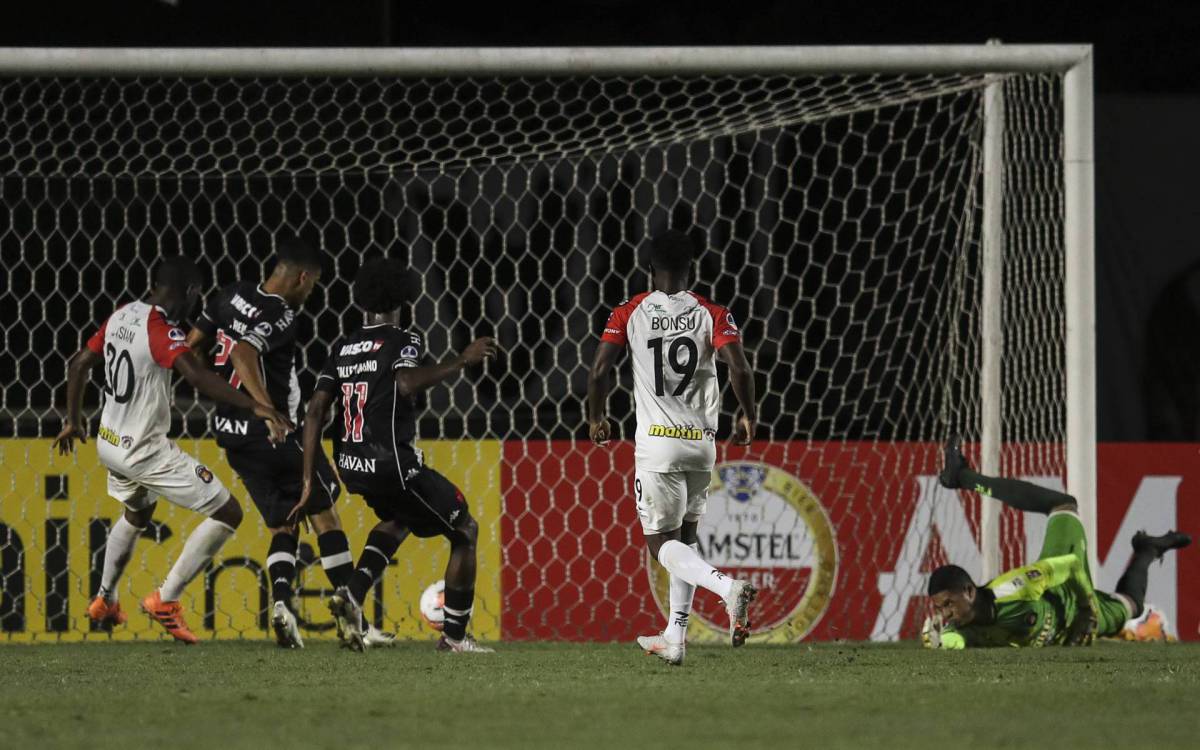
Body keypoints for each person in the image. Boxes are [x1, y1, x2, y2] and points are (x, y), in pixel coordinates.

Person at [54, 256, 291, 644]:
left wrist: (73, 420)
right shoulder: (159, 329)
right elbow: (196, 377)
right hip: (144, 450)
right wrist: (256, 405)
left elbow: (79, 364)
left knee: (137, 512)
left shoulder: (121, 315)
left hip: (109, 441)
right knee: (228, 512)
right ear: (192, 293)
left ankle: (105, 598)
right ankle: (166, 599)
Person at [184, 236, 387, 649]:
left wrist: (223, 390)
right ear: (302, 277)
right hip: (275, 433)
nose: (310, 293)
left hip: (231, 433)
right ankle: (357, 624)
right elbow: (243, 352)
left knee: (284, 522)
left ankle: (280, 607)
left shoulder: (231, 294)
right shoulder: (282, 314)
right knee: (325, 514)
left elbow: (191, 347)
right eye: (312, 286)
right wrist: (265, 409)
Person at [293, 257, 497, 652]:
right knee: (465, 530)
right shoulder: (404, 340)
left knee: (400, 518)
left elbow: (315, 411)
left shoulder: (344, 346)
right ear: (404, 298)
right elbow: (405, 383)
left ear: (362, 301)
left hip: (353, 465)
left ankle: (350, 594)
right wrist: (460, 360)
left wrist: (307, 479)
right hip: (392, 464)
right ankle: (454, 637)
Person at [586, 229, 758, 666]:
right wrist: (747, 415)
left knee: (659, 541)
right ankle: (674, 637)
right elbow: (738, 366)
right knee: (687, 538)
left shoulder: (629, 312)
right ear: (691, 268)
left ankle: (727, 588)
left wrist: (596, 415)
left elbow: (599, 370)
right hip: (701, 444)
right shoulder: (712, 312)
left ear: (649, 267)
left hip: (657, 446)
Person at [924, 438, 1192, 649]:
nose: (946, 614)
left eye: (948, 604)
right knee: (1132, 605)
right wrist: (937, 642)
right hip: (1068, 634)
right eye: (941, 609)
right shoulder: (960, 628)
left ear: (969, 592)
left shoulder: (1017, 587)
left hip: (1071, 599)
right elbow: (953, 642)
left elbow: (1073, 565)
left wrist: (1087, 610)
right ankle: (1148, 549)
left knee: (1063, 505)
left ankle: (963, 477)